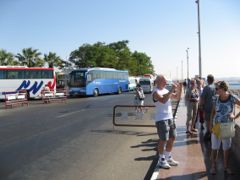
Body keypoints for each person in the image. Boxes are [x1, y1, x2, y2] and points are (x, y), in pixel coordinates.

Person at [209, 81, 240, 175]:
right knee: (214, 148)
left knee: (226, 148)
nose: (216, 90)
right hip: (217, 126)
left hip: (227, 126)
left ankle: (226, 167)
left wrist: (235, 117)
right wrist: (210, 124)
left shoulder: (232, 98)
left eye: (217, 88)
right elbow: (213, 112)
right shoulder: (216, 98)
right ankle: (213, 166)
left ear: (223, 88)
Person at [152, 75, 181, 169]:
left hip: (170, 117)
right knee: (163, 139)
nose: (165, 82)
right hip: (161, 119)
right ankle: (161, 159)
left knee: (172, 137)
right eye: (164, 81)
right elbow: (163, 100)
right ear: (158, 81)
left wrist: (180, 88)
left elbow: (176, 97)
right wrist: (172, 89)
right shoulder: (155, 92)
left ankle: (168, 156)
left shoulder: (165, 91)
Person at [200, 74, 215, 141]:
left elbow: (202, 98)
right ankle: (212, 135)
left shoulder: (206, 88)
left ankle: (209, 134)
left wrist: (201, 106)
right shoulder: (215, 87)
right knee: (213, 122)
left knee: (208, 122)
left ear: (208, 80)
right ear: (213, 80)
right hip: (214, 108)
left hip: (207, 108)